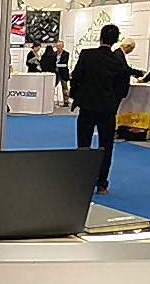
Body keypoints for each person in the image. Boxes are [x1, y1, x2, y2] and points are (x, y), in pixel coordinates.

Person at [71, 24, 145, 195]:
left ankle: (82, 181)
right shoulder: (118, 61)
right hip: (107, 109)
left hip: (87, 107)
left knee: (83, 145)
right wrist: (113, 101)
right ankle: (102, 183)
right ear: (116, 40)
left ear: (100, 38)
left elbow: (76, 77)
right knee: (105, 146)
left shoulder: (87, 55)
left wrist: (78, 96)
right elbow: (122, 86)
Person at [114, 38, 139, 111]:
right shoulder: (118, 55)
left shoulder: (118, 54)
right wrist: (138, 73)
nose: (131, 51)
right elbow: (125, 70)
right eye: (132, 48)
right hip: (117, 88)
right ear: (128, 46)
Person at [55, 41, 70, 106]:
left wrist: (57, 65)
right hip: (56, 72)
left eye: (59, 46)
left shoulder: (66, 54)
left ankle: (66, 101)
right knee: (54, 85)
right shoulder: (54, 53)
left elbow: (64, 62)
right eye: (57, 46)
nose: (58, 47)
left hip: (63, 71)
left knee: (64, 87)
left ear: (62, 46)